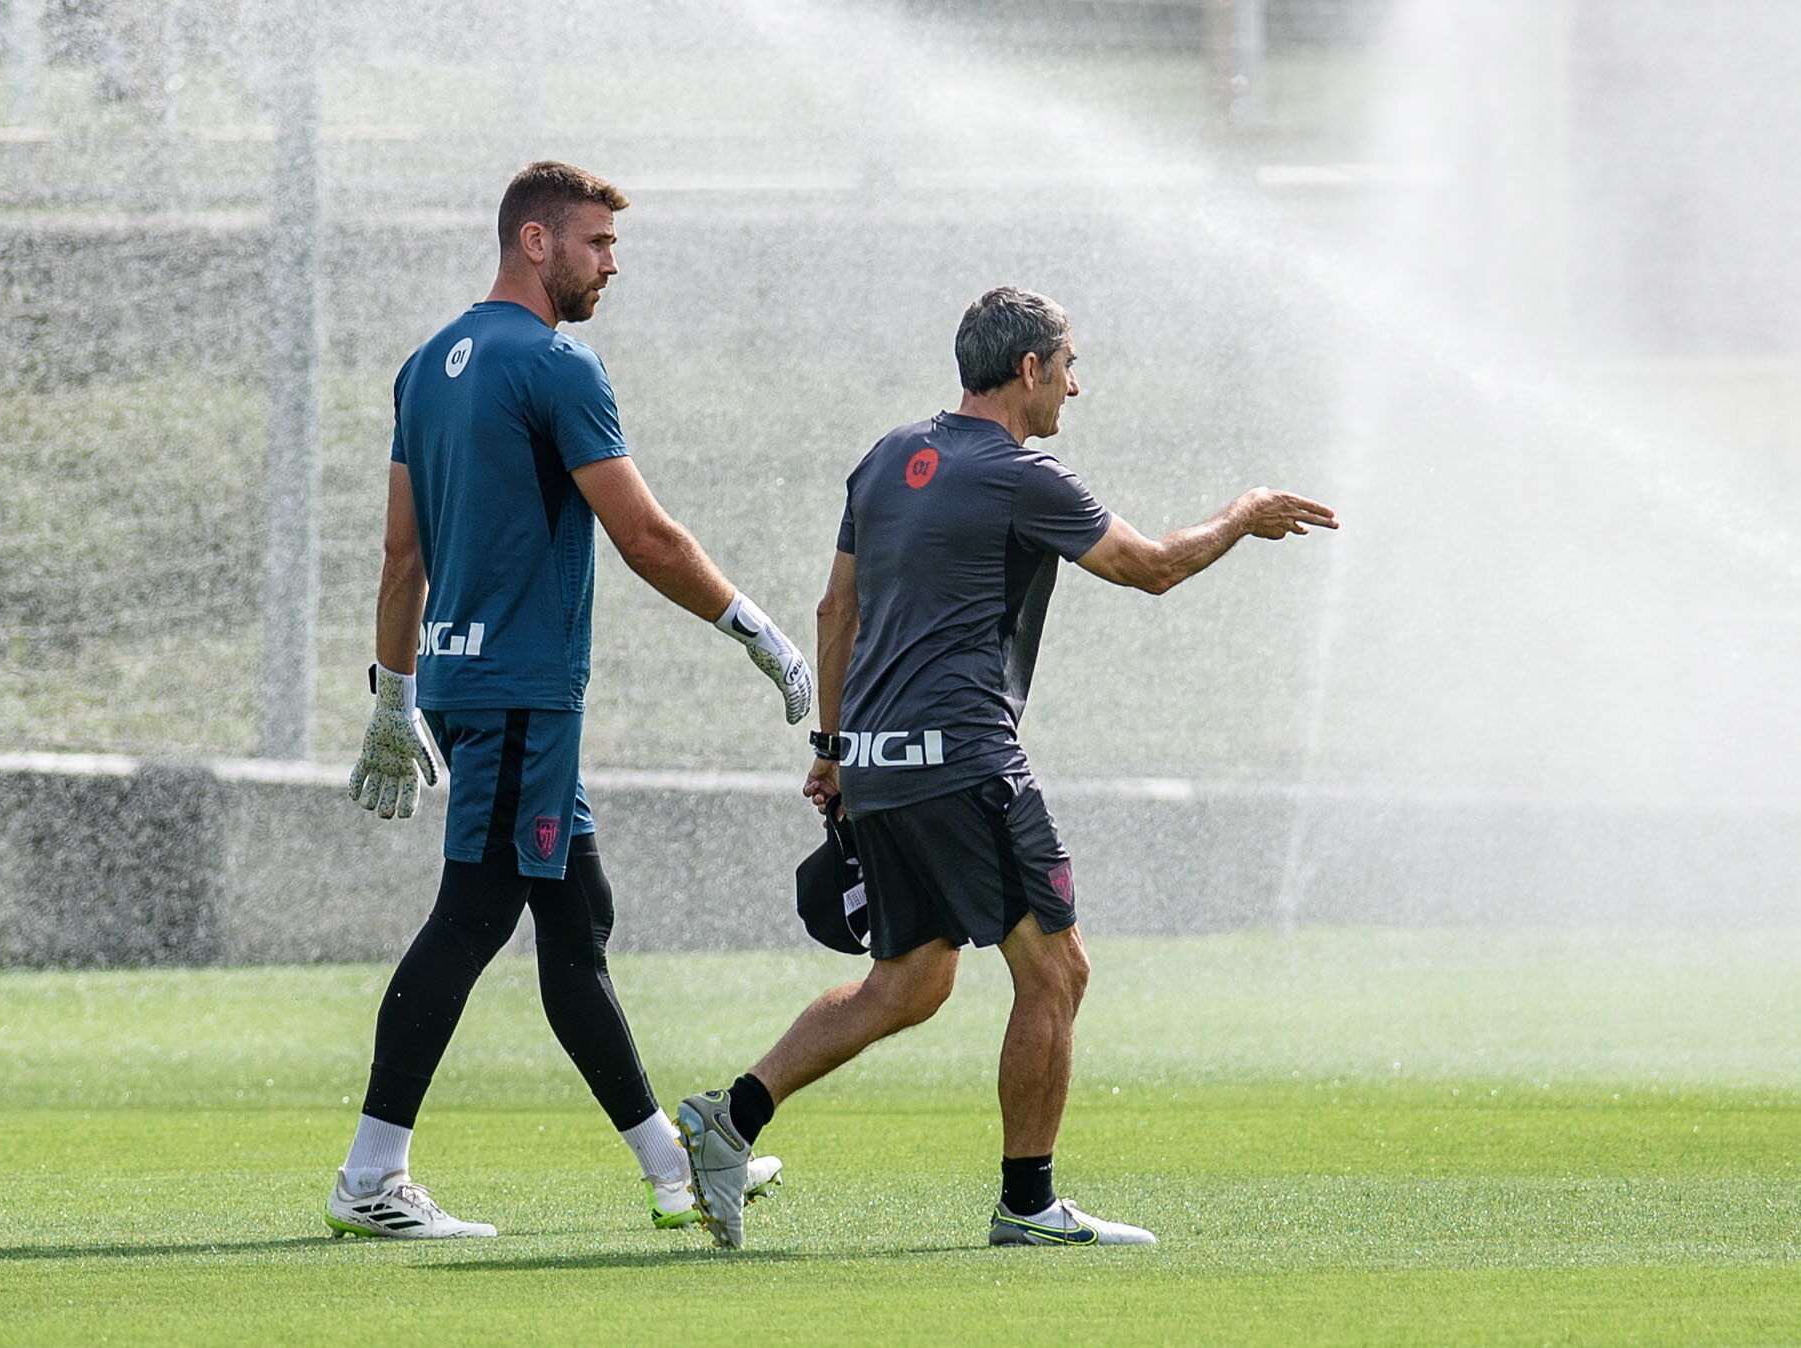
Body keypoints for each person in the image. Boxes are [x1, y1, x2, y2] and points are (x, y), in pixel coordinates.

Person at [678, 286, 1337, 1249]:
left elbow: (835, 613)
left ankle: (730, 1118)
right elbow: (1147, 567)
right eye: (1068, 363)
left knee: (908, 983)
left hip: (881, 761)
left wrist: (832, 750)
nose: (1077, 383)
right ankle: (1027, 1206)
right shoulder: (1024, 474)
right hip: (965, 761)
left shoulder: (884, 456)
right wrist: (1241, 514)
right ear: (1027, 369)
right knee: (1056, 971)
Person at [326, 161, 812, 1240]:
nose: (611, 264)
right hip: (518, 694)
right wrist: (757, 630)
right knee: (475, 913)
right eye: (597, 244)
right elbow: (646, 538)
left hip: (468, 685)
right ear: (534, 242)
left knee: (574, 916)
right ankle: (370, 1174)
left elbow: (400, 558)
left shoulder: (424, 368)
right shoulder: (556, 363)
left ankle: (672, 1168)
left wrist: (395, 697)